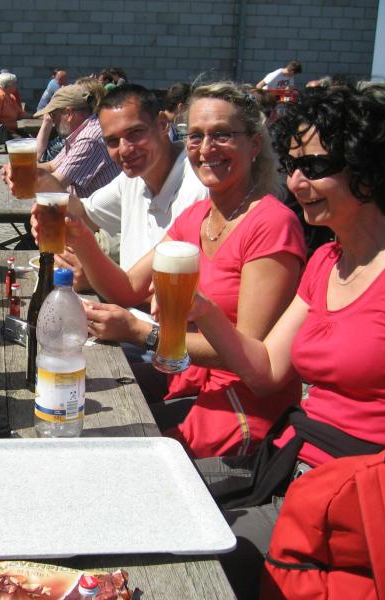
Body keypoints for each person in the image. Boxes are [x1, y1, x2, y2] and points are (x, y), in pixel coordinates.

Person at [189, 83, 385, 600]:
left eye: (315, 166)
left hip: (357, 501)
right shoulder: (327, 260)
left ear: (368, 168)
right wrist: (203, 311)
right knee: (164, 506)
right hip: (291, 471)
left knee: (191, 563)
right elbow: (266, 370)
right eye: (291, 165)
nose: (295, 181)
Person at [45, 82, 306, 459]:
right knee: (70, 398)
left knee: (110, 448)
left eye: (222, 134)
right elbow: (129, 288)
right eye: (196, 136)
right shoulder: (198, 216)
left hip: (242, 409)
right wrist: (81, 237)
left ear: (254, 144)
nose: (206, 148)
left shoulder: (271, 224)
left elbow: (250, 358)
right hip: (190, 381)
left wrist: (141, 332)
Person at [6, 84, 208, 290]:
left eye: (135, 133)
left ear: (163, 124)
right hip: (125, 304)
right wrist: (42, 183)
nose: (124, 149)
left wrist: (96, 280)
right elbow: (86, 215)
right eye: (112, 141)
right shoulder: (132, 179)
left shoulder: (200, 188)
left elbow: (196, 294)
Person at [4, 84, 119, 200]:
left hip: (91, 211)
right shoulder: (84, 131)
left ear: (68, 113)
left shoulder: (89, 139)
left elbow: (54, 186)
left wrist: (18, 182)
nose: (53, 121)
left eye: (54, 115)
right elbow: (52, 165)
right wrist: (18, 169)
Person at [0, 72, 31, 137]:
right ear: (9, 85)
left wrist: (34, 116)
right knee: (25, 140)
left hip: (10, 130)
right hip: (0, 133)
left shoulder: (10, 97)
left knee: (30, 137)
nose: (16, 85)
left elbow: (20, 113)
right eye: (15, 83)